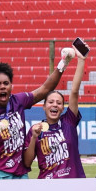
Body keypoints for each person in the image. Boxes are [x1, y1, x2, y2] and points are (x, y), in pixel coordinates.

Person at [0, 49, 73, 180]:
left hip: (20, 173)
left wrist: (63, 63)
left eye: (6, 83)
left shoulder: (19, 101)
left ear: (11, 86)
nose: (2, 87)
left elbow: (45, 89)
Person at [23, 46, 87, 179]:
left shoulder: (68, 121)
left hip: (74, 183)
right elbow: (27, 163)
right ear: (44, 107)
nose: (55, 105)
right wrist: (34, 137)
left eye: (59, 103)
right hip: (48, 185)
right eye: (51, 102)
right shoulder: (36, 130)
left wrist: (81, 60)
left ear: (63, 108)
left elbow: (74, 92)